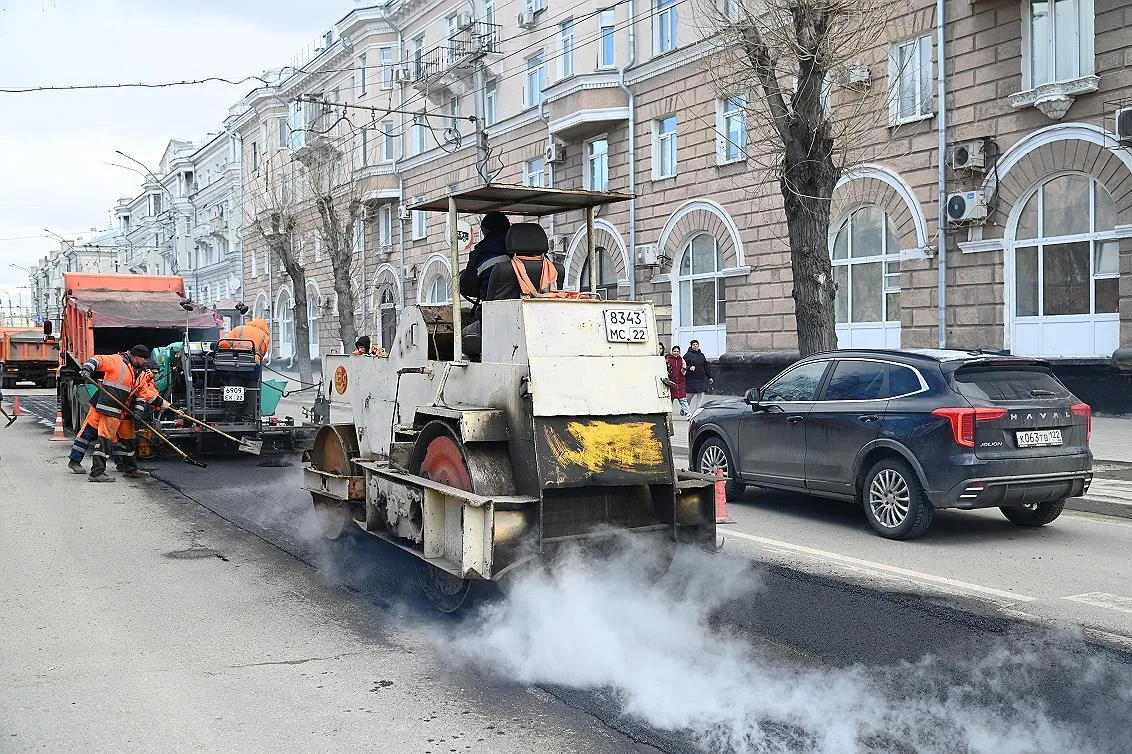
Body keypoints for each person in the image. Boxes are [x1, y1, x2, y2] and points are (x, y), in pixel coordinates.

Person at [67, 345, 166, 482]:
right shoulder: (117, 361)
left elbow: (144, 395)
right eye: (143, 359)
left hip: (122, 411)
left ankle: (128, 467)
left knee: (127, 439)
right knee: (92, 434)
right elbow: (97, 360)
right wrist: (87, 369)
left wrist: (141, 411)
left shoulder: (140, 373)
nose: (145, 363)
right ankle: (83, 465)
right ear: (136, 357)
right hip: (105, 406)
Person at [216, 318, 271, 420]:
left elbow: (223, 344)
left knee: (233, 389)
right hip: (253, 365)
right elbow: (262, 353)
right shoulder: (265, 336)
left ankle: (230, 416)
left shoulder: (239, 329)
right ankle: (248, 417)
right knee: (251, 392)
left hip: (236, 363)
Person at [459, 211, 511, 303]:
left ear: (486, 231)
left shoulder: (481, 254)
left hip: (490, 311)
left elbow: (469, 288)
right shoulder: (539, 258)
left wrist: (462, 277)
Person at [683, 339, 713, 413]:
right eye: (693, 345)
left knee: (701, 394)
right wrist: (689, 367)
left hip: (701, 378)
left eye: (696, 344)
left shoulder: (701, 355)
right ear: (691, 346)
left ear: (698, 345)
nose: (695, 346)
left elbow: (705, 366)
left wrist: (709, 376)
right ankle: (684, 409)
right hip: (691, 378)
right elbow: (683, 365)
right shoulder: (687, 355)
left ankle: (697, 412)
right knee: (690, 395)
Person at [666, 345, 689, 416]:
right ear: (672, 351)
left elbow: (684, 369)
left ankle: (687, 413)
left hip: (680, 382)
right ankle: (668, 413)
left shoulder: (681, 359)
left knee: (683, 399)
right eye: (674, 351)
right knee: (670, 399)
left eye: (677, 351)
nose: (676, 353)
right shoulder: (668, 359)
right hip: (671, 382)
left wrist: (684, 370)